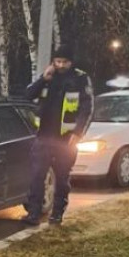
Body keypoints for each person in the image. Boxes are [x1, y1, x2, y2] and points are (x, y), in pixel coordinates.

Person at [22, 44, 94, 226]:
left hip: (66, 139)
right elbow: (28, 95)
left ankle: (57, 214)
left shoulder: (80, 79)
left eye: (65, 62)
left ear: (71, 62)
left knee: (62, 178)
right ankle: (33, 214)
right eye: (58, 61)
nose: (61, 65)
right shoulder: (48, 77)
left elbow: (87, 108)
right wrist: (43, 79)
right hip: (44, 136)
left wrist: (78, 133)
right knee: (37, 176)